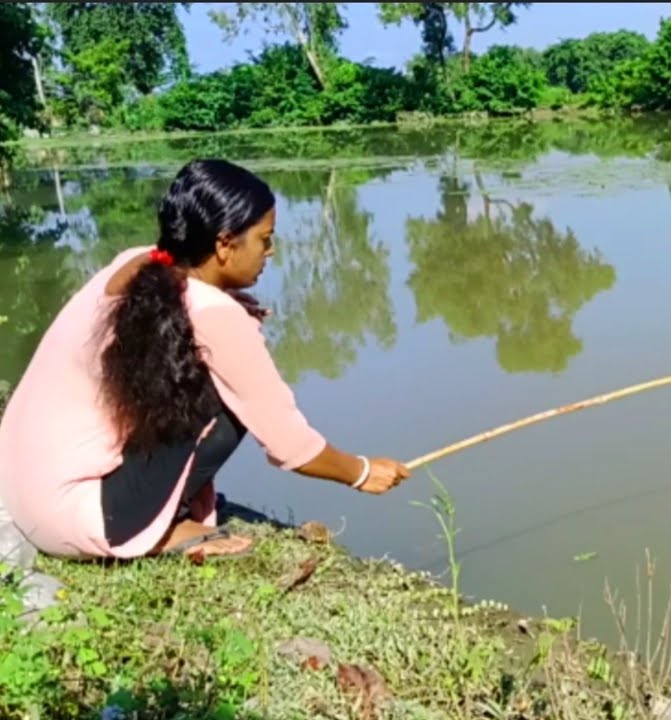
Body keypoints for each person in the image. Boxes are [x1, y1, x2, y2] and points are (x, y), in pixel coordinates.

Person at [0, 158, 410, 561]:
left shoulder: (139, 263)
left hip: (17, 488)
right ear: (225, 245)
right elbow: (289, 443)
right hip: (75, 519)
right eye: (265, 239)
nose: (271, 251)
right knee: (232, 398)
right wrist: (361, 472)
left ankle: (158, 501)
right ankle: (162, 525)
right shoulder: (215, 314)